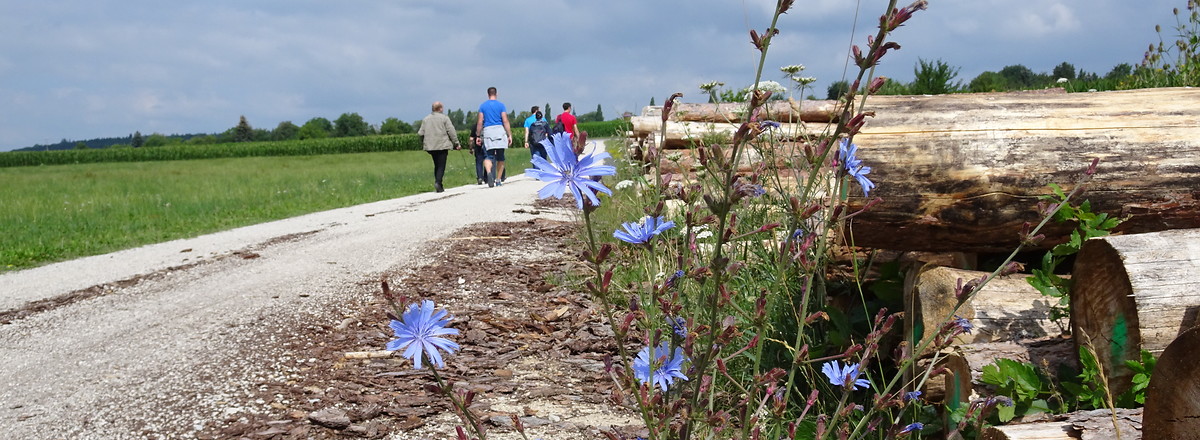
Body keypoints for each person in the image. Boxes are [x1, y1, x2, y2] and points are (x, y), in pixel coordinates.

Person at [417, 101, 461, 193]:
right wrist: (456, 143)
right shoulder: (444, 118)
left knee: (436, 164)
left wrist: (424, 142)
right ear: (440, 108)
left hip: (431, 146)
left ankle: (439, 183)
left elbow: (420, 133)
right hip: (442, 145)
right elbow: (451, 131)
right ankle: (438, 183)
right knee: (441, 165)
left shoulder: (426, 119)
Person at [475, 87, 512, 187]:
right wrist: (509, 134)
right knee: (500, 157)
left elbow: (479, 122)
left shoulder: (483, 106)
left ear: (488, 94)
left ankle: (489, 172)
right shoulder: (501, 105)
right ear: (496, 94)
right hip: (499, 130)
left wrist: (478, 135)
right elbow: (505, 120)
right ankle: (498, 179)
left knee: (488, 156)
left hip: (488, 131)